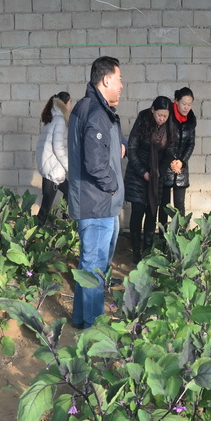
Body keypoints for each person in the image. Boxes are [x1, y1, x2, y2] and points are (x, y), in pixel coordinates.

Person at [67, 56, 126, 329]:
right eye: (119, 79)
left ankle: (81, 319)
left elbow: (103, 145)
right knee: (95, 269)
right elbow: (94, 162)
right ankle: (93, 328)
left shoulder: (90, 108)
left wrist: (120, 144)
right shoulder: (96, 112)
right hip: (97, 204)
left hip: (94, 202)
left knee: (89, 266)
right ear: (106, 80)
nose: (121, 86)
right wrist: (112, 186)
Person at [124, 96, 172, 262]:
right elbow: (131, 148)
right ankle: (136, 252)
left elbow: (170, 151)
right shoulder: (143, 120)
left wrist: (160, 171)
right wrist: (143, 172)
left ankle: (147, 251)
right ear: (153, 110)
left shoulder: (169, 126)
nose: (162, 119)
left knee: (152, 212)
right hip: (138, 174)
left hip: (156, 176)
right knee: (138, 212)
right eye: (159, 115)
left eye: (165, 116)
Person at [35, 91, 73, 226]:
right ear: (64, 104)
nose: (71, 106)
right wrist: (69, 167)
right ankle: (32, 233)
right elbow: (58, 148)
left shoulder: (51, 119)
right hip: (53, 172)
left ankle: (65, 220)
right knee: (45, 210)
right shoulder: (60, 120)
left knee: (70, 192)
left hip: (50, 169)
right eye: (70, 103)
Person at [160, 87, 197, 226]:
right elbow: (162, 140)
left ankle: (180, 235)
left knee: (180, 205)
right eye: (184, 104)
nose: (186, 107)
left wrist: (181, 161)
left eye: (189, 104)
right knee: (164, 205)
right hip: (166, 165)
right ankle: (162, 236)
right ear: (176, 101)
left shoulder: (191, 120)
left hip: (181, 167)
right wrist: (171, 161)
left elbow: (191, 144)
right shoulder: (168, 116)